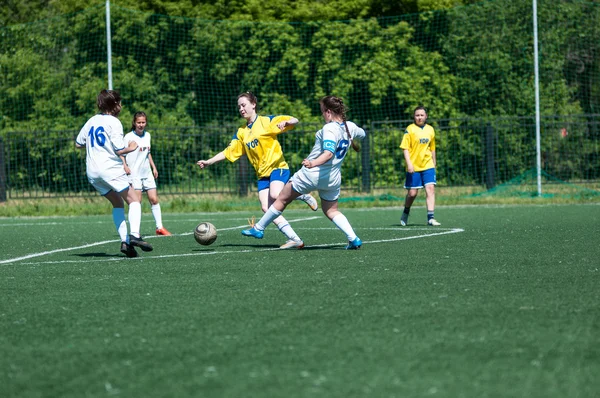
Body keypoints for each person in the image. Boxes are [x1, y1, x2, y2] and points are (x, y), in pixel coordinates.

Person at [241, 95, 366, 250]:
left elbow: (328, 152)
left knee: (281, 199)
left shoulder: (329, 128)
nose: (322, 115)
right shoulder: (350, 127)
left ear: (328, 112)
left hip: (312, 174)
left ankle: (258, 229)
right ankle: (353, 239)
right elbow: (363, 134)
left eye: (322, 111)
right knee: (331, 210)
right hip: (332, 178)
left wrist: (312, 163)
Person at [197, 91, 319, 249]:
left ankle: (302, 195)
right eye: (239, 106)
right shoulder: (241, 132)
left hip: (277, 167)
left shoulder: (266, 121)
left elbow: (295, 120)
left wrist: (287, 123)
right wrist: (209, 161)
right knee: (266, 208)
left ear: (253, 104)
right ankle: (294, 239)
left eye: (244, 105)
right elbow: (228, 152)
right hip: (262, 175)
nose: (241, 109)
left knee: (276, 195)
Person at [75, 89, 154, 258]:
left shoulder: (91, 121)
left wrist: (95, 146)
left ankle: (125, 243)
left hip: (92, 172)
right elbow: (120, 149)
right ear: (115, 105)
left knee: (118, 203)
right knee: (134, 200)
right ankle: (134, 236)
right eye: (120, 102)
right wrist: (131, 148)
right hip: (109, 168)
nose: (121, 105)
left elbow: (78, 143)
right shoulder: (114, 122)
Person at [121, 111, 171, 236]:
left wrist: (154, 167)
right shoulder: (128, 137)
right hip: (135, 174)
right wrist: (125, 165)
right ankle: (135, 232)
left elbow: (148, 153)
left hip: (147, 173)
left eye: (143, 122)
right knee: (136, 202)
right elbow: (121, 153)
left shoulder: (147, 135)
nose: (141, 125)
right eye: (139, 122)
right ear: (134, 123)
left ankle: (159, 228)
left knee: (154, 199)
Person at [399, 106, 441, 226]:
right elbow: (405, 148)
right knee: (412, 193)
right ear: (414, 116)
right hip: (414, 167)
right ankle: (406, 211)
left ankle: (431, 218)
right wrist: (409, 164)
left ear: (426, 116)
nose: (419, 117)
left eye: (422, 115)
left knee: (430, 189)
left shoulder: (430, 130)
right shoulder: (410, 129)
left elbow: (432, 147)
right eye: (417, 115)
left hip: (428, 165)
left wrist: (434, 161)